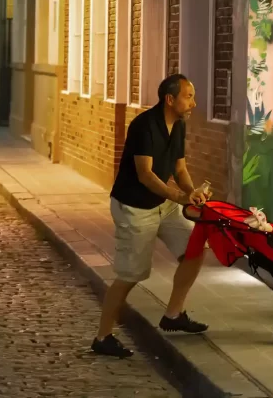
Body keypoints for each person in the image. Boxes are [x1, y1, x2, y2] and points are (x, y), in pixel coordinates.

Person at [92, 74, 212, 358]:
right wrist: (180, 197)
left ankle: (173, 314)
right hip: (135, 207)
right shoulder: (144, 126)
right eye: (189, 96)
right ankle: (102, 336)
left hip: (163, 204)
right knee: (131, 274)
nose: (194, 102)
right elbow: (145, 175)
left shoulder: (179, 125)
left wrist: (192, 192)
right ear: (170, 99)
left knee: (195, 248)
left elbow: (179, 169)